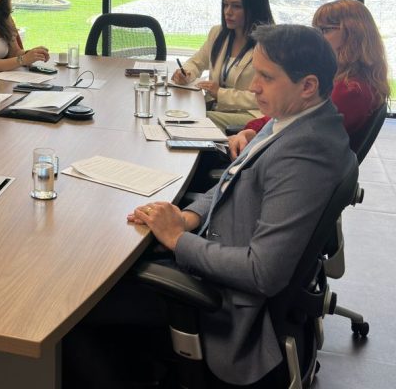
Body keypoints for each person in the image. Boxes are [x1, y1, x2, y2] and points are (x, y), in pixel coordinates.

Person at [65, 25, 357, 387]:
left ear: (308, 85)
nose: (254, 87)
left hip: (225, 309)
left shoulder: (304, 155)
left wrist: (177, 240)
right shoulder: (295, 119)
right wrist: (187, 217)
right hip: (215, 251)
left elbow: (262, 272)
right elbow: (230, 182)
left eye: (266, 77)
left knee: (74, 310)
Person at [229, 0, 391, 159]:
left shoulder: (350, 90)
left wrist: (254, 134)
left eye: (324, 30)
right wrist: (253, 130)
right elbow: (289, 116)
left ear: (353, 35)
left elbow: (295, 129)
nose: (316, 37)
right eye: (316, 30)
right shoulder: (348, 79)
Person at [171, 0, 274, 130]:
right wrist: (186, 73)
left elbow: (266, 96)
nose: (228, 12)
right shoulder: (218, 33)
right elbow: (196, 62)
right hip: (217, 109)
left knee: (193, 120)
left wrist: (221, 93)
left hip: (250, 114)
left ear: (254, 9)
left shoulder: (269, 44)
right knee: (179, 113)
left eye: (236, 6)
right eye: (225, 5)